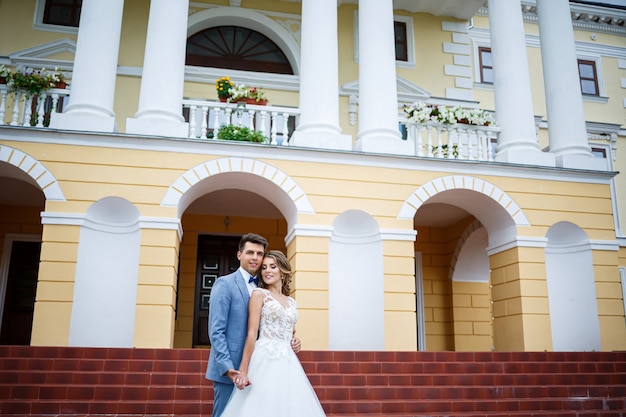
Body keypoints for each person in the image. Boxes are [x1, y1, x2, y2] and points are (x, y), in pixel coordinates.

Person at [219, 250, 327, 417]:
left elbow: (289, 333)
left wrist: (295, 341)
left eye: (273, 267)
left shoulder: (291, 301)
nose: (267, 271)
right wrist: (243, 370)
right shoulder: (259, 295)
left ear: (282, 270)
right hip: (265, 357)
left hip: (288, 361)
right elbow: (251, 333)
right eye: (264, 268)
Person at [205, 234, 301, 417]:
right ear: (239, 255)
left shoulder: (264, 287)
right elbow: (216, 331)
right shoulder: (224, 284)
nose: (255, 258)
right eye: (250, 252)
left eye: (259, 253)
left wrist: (292, 339)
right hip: (231, 368)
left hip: (261, 365)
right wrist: (228, 368)